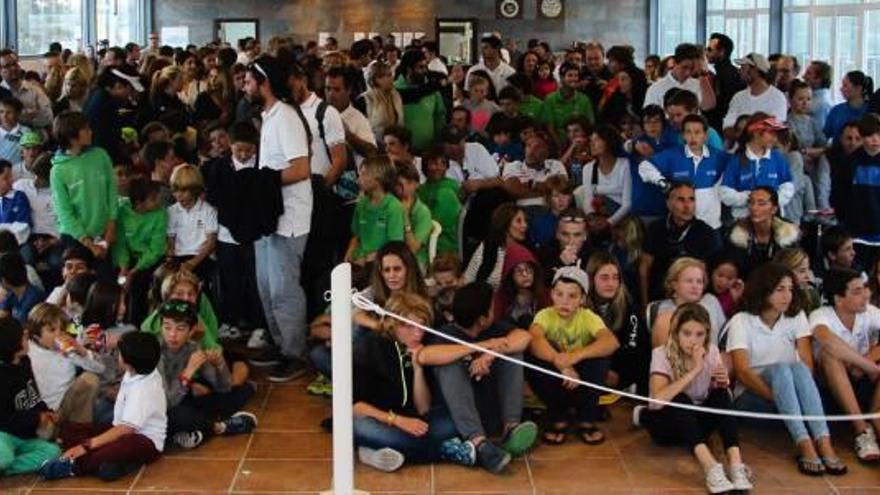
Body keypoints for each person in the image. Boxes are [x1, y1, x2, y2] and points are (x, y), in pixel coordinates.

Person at [728, 262, 847, 477]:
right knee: (781, 368)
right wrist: (781, 397)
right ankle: (804, 445)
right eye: (780, 289)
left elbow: (807, 366)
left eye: (790, 289)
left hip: (792, 394)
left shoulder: (796, 316)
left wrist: (790, 396)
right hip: (754, 396)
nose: (787, 296)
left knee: (798, 369)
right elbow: (743, 372)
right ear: (764, 290)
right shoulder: (741, 320)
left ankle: (824, 442)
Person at [243, 56, 313, 382]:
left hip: (290, 219)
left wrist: (262, 182)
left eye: (248, 80)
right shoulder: (270, 117)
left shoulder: (285, 117)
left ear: (264, 82)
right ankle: (280, 343)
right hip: (269, 216)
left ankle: (294, 353)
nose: (245, 85)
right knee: (267, 287)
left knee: (284, 290)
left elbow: (300, 168)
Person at [420, 282, 537, 473]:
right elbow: (426, 355)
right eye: (492, 307)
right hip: (461, 419)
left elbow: (524, 337)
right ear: (482, 319)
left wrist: (491, 355)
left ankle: (511, 428)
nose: (495, 309)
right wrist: (482, 346)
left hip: (493, 409)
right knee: (448, 365)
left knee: (513, 353)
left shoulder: (496, 327)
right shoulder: (447, 333)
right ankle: (479, 443)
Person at [353, 293, 476, 472]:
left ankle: (379, 450)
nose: (417, 334)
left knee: (453, 420)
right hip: (379, 418)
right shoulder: (369, 347)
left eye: (421, 326)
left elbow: (423, 409)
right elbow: (354, 406)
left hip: (414, 420)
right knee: (362, 428)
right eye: (408, 326)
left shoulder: (421, 346)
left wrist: (418, 369)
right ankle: (444, 451)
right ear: (392, 324)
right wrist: (397, 420)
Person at [638, 303, 753, 494]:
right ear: (676, 332)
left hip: (697, 423)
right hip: (667, 424)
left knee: (722, 396)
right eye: (687, 333)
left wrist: (721, 384)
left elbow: (719, 400)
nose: (693, 340)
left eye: (700, 334)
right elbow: (656, 401)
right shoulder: (661, 354)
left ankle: (736, 464)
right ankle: (711, 468)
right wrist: (695, 370)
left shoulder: (712, 351)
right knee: (679, 398)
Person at [39, 332, 166, 481]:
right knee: (75, 429)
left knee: (118, 446)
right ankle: (114, 464)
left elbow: (125, 430)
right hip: (120, 428)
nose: (117, 355)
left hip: (144, 441)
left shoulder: (143, 390)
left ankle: (73, 465)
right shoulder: (142, 368)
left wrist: (86, 446)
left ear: (128, 364)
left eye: (119, 354)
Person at [526, 266, 620, 445]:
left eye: (572, 296)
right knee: (536, 358)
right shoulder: (545, 315)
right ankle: (557, 417)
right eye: (559, 294)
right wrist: (561, 363)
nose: (564, 301)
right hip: (558, 377)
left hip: (580, 380)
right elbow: (534, 339)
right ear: (552, 294)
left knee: (600, 360)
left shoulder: (588, 317)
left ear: (582, 299)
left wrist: (575, 357)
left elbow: (611, 342)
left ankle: (587, 418)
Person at [158, 300, 256, 450]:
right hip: (161, 409)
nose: (172, 334)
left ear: (191, 331)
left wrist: (220, 365)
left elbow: (223, 388)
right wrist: (187, 374)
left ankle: (194, 432)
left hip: (186, 401)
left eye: (180, 328)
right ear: (161, 328)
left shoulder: (192, 347)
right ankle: (219, 427)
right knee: (180, 416)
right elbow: (166, 403)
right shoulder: (155, 353)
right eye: (167, 327)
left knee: (240, 392)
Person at [809, 268, 880, 462]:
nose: (865, 295)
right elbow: (827, 340)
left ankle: (876, 416)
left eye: (864, 288)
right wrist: (867, 365)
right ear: (839, 299)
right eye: (857, 292)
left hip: (863, 381)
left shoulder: (869, 313)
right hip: (830, 388)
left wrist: (868, 359)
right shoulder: (820, 315)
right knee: (829, 355)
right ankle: (862, 431)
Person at [49, 112, 119, 274]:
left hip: (103, 234)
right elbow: (64, 213)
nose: (91, 132)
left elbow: (112, 191)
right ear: (72, 135)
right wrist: (88, 243)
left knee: (105, 285)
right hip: (75, 239)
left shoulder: (100, 155)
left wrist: (111, 223)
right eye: (86, 129)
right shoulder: (58, 171)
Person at [26, 301, 104, 435]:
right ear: (36, 336)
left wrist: (81, 351)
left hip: (67, 403)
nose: (58, 334)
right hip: (43, 412)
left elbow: (100, 369)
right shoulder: (27, 352)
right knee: (44, 433)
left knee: (90, 380)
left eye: (61, 330)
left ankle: (78, 436)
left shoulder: (68, 347)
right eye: (51, 330)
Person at [639, 114, 726, 230]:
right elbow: (644, 166)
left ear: (705, 135)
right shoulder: (673, 155)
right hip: (680, 224)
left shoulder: (719, 157)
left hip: (711, 225)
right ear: (683, 135)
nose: (692, 137)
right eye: (688, 132)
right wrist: (662, 182)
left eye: (697, 132)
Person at [640, 182, 721, 305]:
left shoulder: (705, 232)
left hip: (691, 300)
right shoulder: (655, 228)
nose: (687, 206)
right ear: (669, 204)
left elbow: (706, 274)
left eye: (691, 200)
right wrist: (644, 303)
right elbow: (644, 267)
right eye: (681, 200)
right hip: (660, 296)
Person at [0, 316, 62, 476]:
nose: (27, 338)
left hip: (24, 436)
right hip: (4, 434)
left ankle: (7, 468)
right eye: (23, 336)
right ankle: (6, 461)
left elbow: (33, 395)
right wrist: (36, 418)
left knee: (53, 451)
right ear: (12, 342)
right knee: (3, 457)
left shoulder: (25, 361)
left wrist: (46, 411)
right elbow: (4, 420)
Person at [586, 251, 650, 394]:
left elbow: (634, 348)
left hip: (622, 373)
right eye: (604, 278)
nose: (611, 283)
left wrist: (619, 376)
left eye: (615, 278)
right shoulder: (581, 306)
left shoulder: (629, 306)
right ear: (591, 280)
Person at [114, 178, 167, 325]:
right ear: (138, 202)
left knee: (138, 286)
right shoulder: (122, 211)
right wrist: (124, 268)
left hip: (149, 259)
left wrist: (134, 271)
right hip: (128, 257)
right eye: (152, 199)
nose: (157, 201)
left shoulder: (160, 214)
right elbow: (120, 243)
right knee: (117, 283)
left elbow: (155, 250)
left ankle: (135, 326)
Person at [720, 115, 794, 220]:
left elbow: (787, 187)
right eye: (771, 133)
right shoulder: (736, 160)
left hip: (773, 219)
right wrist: (750, 199)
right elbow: (725, 193)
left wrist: (770, 202)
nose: (775, 138)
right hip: (744, 220)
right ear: (755, 133)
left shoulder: (777, 157)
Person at [651, 256, 727, 348]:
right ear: (674, 284)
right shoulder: (666, 312)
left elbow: (726, 338)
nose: (695, 286)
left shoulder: (711, 301)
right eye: (689, 281)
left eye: (699, 281)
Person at [836, 114, 880, 268]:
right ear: (862, 137)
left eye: (878, 135)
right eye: (869, 135)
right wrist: (845, 221)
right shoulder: (849, 163)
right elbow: (838, 195)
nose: (874, 140)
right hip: (856, 233)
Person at [346, 155, 405, 269]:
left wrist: (368, 259)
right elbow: (356, 236)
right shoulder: (361, 203)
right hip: (359, 259)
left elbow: (395, 246)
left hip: (381, 262)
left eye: (364, 174)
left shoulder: (393, 206)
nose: (358, 179)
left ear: (378, 178)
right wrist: (349, 252)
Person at [728, 187, 800, 277]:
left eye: (761, 203)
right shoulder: (736, 233)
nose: (754, 207)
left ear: (774, 209)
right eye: (751, 202)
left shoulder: (788, 235)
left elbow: (795, 267)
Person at [167, 164, 218, 284]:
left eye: (184, 191)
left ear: (195, 189)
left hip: (201, 258)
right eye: (175, 190)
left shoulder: (208, 211)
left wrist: (193, 263)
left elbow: (211, 243)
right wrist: (170, 261)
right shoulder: (171, 211)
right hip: (178, 258)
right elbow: (170, 241)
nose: (179, 195)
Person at [463, 203, 529, 290]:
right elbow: (467, 280)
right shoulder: (487, 248)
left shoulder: (525, 253)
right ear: (505, 224)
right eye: (519, 221)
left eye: (525, 221)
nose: (525, 225)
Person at [581, 125, 632, 230]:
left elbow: (627, 204)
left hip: (622, 219)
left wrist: (609, 222)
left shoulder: (625, 165)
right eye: (591, 140)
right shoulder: (588, 168)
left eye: (597, 140)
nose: (592, 144)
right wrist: (591, 218)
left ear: (609, 142)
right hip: (598, 216)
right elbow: (588, 199)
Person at [501, 134, 568, 214]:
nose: (531, 151)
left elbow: (562, 187)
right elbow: (513, 191)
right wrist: (546, 190)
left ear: (547, 151)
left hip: (552, 210)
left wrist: (529, 185)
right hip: (523, 212)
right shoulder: (513, 166)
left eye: (537, 147)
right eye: (528, 146)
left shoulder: (555, 164)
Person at [395, 50, 446, 152]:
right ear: (409, 69)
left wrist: (438, 142)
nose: (425, 71)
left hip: (428, 150)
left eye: (425, 66)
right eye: (420, 67)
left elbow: (439, 116)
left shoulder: (432, 90)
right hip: (401, 150)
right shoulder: (394, 89)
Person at [723, 53, 788, 131]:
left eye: (743, 67)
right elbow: (727, 128)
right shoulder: (738, 97)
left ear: (755, 70)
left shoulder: (778, 97)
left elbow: (774, 128)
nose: (739, 71)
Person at [643, 43, 713, 112]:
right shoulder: (656, 88)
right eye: (684, 67)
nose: (688, 73)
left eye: (692, 68)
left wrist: (702, 74)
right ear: (675, 63)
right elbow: (649, 116)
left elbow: (708, 106)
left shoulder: (697, 84)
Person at [417, 148, 461, 255]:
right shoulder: (420, 189)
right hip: (422, 238)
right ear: (425, 166)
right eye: (434, 163)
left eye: (443, 163)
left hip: (442, 245)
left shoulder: (448, 191)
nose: (439, 168)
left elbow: (436, 224)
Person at [543, 62, 595, 144]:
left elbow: (590, 125)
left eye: (576, 75)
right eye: (570, 75)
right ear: (561, 78)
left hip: (580, 144)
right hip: (558, 144)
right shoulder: (550, 99)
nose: (574, 79)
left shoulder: (584, 100)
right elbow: (550, 127)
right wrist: (560, 145)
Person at [394, 163, 433, 272]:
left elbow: (413, 249)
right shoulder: (390, 205)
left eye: (409, 183)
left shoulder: (423, 212)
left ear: (416, 184)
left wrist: (405, 218)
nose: (403, 188)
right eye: (398, 184)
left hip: (414, 261)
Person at [0, 50, 53, 130]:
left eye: (15, 64)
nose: (13, 68)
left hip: (34, 136)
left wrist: (29, 120)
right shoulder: (1, 92)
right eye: (7, 66)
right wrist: (24, 116)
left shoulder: (34, 89)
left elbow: (48, 117)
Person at [705, 33, 746, 133]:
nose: (706, 53)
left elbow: (721, 105)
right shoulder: (732, 72)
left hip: (721, 126)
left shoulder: (723, 75)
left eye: (710, 49)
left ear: (721, 51)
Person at [824, 71, 872, 144]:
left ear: (858, 88)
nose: (841, 89)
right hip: (837, 153)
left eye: (845, 85)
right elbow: (824, 136)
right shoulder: (836, 110)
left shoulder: (871, 110)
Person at [0, 253, 45, 324]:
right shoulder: (12, 294)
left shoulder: (33, 298)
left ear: (4, 280)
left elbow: (22, 328)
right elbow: (2, 313)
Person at [0, 159, 31, 245]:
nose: (11, 180)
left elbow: (23, 224)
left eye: (11, 176)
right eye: (6, 177)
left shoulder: (19, 197)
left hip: (16, 244)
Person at [804, 61, 834, 132]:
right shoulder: (812, 97)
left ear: (818, 79)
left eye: (808, 73)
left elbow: (820, 132)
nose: (803, 76)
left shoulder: (822, 104)